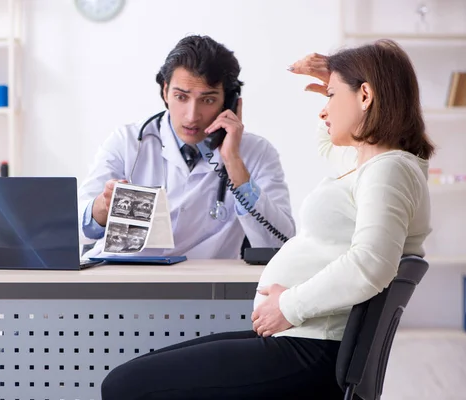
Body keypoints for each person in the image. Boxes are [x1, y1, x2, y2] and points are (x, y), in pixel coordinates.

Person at [100, 39, 434, 399]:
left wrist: (288, 306)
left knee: (124, 385)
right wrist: (338, 85)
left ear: (365, 95)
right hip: (305, 338)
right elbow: (329, 143)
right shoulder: (375, 165)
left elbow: (370, 264)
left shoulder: (388, 171)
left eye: (331, 96)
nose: (324, 111)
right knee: (133, 377)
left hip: (312, 347)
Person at [77, 35, 295, 260]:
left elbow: (280, 244)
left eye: (208, 100)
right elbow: (74, 230)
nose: (192, 116)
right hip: (121, 279)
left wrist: (233, 163)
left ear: (229, 102)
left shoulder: (256, 153)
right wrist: (103, 206)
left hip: (204, 287)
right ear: (165, 92)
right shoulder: (128, 142)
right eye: (181, 97)